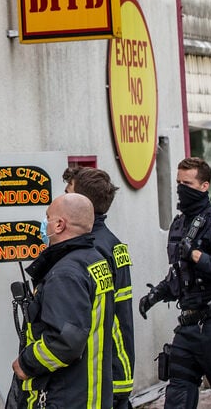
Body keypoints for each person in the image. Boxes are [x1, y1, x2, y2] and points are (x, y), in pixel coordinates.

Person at [138, 157, 211, 409]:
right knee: (177, 399)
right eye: (178, 182)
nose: (181, 189)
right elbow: (179, 276)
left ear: (204, 186)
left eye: (187, 183)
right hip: (188, 328)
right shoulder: (179, 225)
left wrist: (197, 255)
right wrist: (155, 295)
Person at [11, 193, 114, 409]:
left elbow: (64, 343)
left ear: (59, 225)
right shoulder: (94, 260)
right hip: (89, 395)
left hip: (64, 396)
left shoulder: (66, 273)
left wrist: (25, 363)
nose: (43, 224)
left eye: (47, 217)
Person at [69, 167, 135, 408]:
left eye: (68, 193)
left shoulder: (91, 251)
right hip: (116, 366)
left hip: (101, 371)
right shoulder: (111, 242)